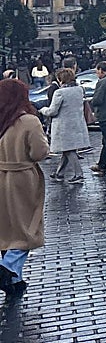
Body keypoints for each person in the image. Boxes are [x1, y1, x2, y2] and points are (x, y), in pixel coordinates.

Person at [0, 79, 50, 299]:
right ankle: (7, 268)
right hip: (22, 179)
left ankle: (14, 281)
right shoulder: (29, 121)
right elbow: (39, 152)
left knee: (6, 230)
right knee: (27, 230)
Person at [40, 67, 88, 184]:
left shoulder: (60, 92)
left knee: (68, 150)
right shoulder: (79, 90)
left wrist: (42, 110)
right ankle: (59, 173)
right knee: (67, 149)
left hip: (63, 126)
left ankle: (79, 174)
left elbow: (52, 111)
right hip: (77, 123)